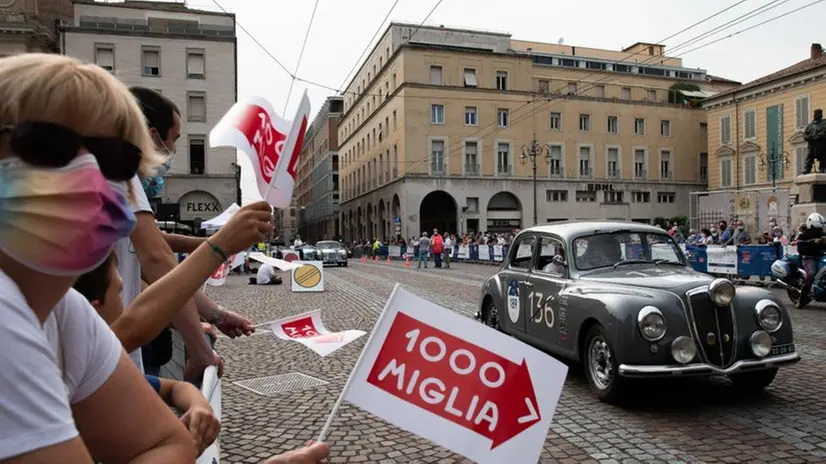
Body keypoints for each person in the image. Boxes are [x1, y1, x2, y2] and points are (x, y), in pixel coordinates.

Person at [0, 52, 195, 463]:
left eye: (112, 160)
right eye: (48, 146)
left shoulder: (65, 312)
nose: (87, 173)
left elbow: (170, 445)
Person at [125, 87, 254, 379]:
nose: (172, 149)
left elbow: (159, 248)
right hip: (110, 353)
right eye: (174, 139)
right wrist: (199, 348)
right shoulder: (122, 179)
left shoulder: (117, 179)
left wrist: (216, 315)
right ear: (151, 135)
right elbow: (158, 261)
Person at [72, 253, 221, 456]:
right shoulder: (82, 382)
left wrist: (199, 406)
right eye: (119, 293)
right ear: (91, 309)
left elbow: (175, 388)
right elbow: (156, 255)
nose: (127, 303)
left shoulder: (101, 370)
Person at [796, 213, 826, 307]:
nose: (818, 231)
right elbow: (801, 248)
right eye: (816, 228)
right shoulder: (803, 235)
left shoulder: (823, 235)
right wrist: (814, 243)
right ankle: (801, 300)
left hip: (821, 257)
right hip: (809, 258)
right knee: (811, 273)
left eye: (820, 228)